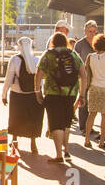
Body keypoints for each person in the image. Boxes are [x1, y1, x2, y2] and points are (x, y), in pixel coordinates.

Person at [36, 32, 87, 164]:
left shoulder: (48, 54)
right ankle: (67, 149)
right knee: (66, 121)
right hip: (71, 93)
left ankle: (59, 155)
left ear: (53, 41)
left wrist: (37, 91)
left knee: (55, 123)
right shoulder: (73, 54)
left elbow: (39, 73)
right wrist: (82, 94)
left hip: (52, 93)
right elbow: (83, 74)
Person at [2, 37, 44, 155]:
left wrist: (4, 94)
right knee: (33, 118)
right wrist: (40, 93)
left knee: (16, 117)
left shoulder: (15, 59)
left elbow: (9, 78)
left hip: (17, 94)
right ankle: (33, 144)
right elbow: (41, 80)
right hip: (33, 94)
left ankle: (14, 140)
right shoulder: (37, 59)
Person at [82, 34, 105, 151]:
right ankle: (101, 141)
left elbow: (87, 70)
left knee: (91, 114)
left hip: (94, 87)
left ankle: (87, 139)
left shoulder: (90, 56)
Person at [73, 20, 99, 135]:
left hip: (97, 75)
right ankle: (83, 126)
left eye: (94, 31)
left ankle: (90, 126)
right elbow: (75, 58)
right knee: (83, 100)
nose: (92, 34)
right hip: (84, 75)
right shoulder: (80, 43)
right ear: (85, 31)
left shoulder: (98, 42)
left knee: (93, 102)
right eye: (90, 31)